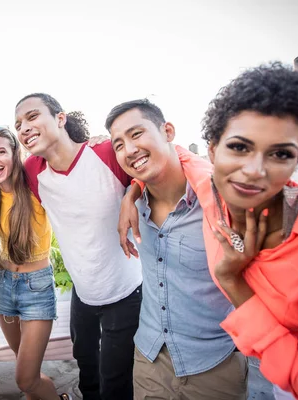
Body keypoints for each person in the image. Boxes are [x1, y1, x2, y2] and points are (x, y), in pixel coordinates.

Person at [181, 63, 298, 400]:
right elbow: (176, 156)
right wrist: (131, 193)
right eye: (239, 147)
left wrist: (233, 282)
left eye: (280, 154)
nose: (253, 171)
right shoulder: (211, 191)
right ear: (212, 149)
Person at [106, 99, 247, 399]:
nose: (129, 149)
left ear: (168, 131)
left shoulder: (221, 203)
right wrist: (130, 195)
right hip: (149, 360)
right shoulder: (136, 203)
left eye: (136, 134)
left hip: (214, 366)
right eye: (118, 144)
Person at [15, 93, 143, 400]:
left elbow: (152, 168)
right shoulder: (33, 170)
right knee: (86, 371)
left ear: (60, 118)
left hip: (125, 292)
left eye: (32, 117)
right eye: (18, 123)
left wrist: (131, 194)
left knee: (115, 381)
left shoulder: (104, 153)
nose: (24, 128)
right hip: (83, 294)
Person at [0, 126, 71, 400]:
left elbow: (64, 157)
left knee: (25, 378)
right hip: (3, 285)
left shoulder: (36, 184)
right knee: (26, 371)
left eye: (0, 152)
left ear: (15, 153)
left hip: (37, 287)